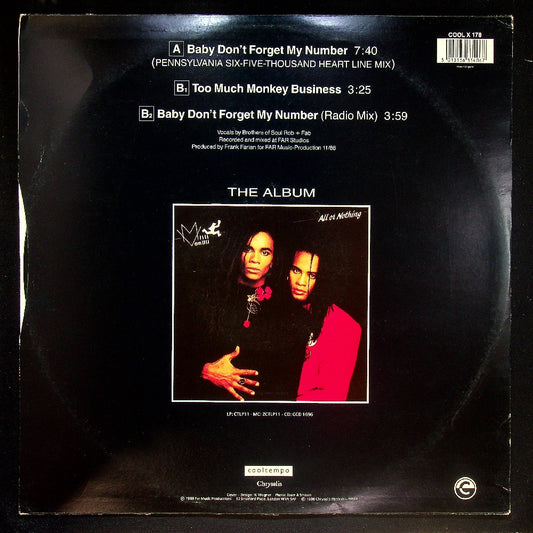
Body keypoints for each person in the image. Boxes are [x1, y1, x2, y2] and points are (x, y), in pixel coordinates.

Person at [287, 246, 362, 401]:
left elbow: (332, 396)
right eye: (296, 270)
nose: (301, 282)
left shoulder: (344, 326)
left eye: (312, 275)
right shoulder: (273, 307)